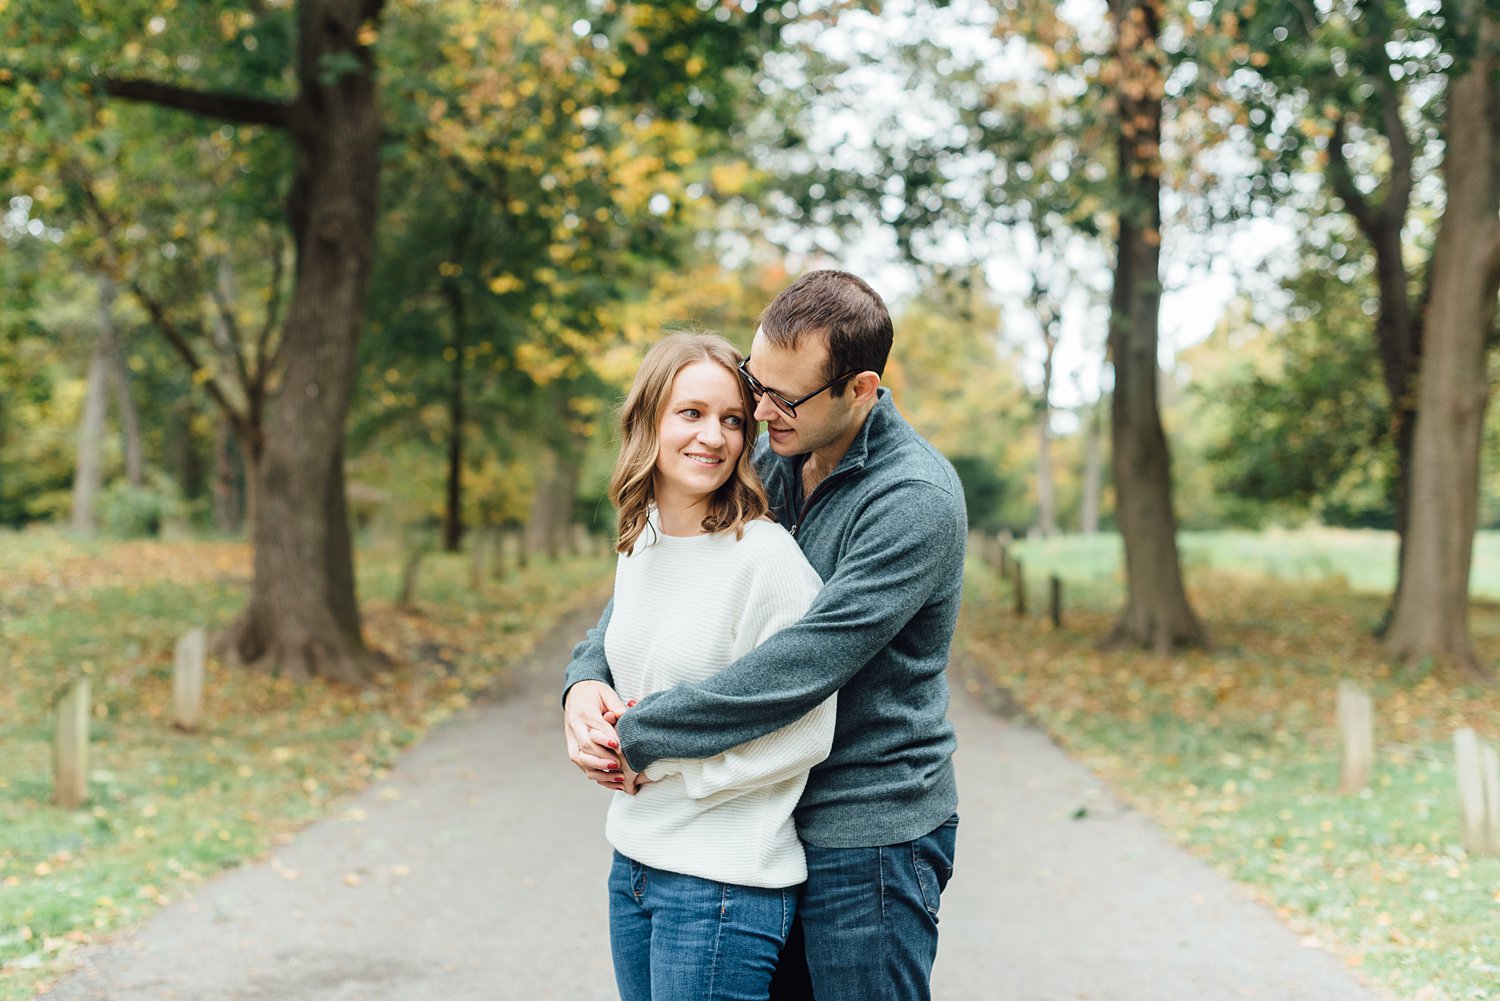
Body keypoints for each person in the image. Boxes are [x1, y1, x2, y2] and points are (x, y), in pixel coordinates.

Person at [565, 270, 967, 1000]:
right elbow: (671, 575)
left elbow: (802, 663)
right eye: (757, 381)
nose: (756, 410)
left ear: (860, 388)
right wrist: (586, 677)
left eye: (784, 396)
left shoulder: (915, 501)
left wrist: (641, 734)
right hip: (760, 812)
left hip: (865, 825)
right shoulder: (777, 452)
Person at [587, 331, 837, 1001]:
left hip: (722, 885)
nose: (714, 436)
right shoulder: (642, 538)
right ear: (650, 420)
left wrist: (661, 761)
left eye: (732, 418)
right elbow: (629, 665)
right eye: (691, 413)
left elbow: (809, 731)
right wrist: (589, 705)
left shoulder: (765, 560)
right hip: (633, 862)